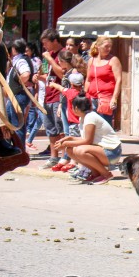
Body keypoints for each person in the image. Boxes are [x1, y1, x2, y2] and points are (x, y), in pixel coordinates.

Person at [55, 95, 122, 185]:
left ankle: (106, 174)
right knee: (70, 150)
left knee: (80, 150)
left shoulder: (90, 117)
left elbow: (87, 141)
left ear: (76, 108)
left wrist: (67, 143)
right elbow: (86, 139)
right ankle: (96, 173)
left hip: (112, 152)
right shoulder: (83, 118)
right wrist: (69, 139)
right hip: (102, 150)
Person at [38, 29, 66, 169]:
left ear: (55, 41)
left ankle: (65, 157)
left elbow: (62, 74)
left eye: (46, 43)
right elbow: (45, 74)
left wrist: (50, 59)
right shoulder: (47, 56)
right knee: (51, 129)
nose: (44, 47)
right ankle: (53, 157)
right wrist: (38, 76)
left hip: (58, 96)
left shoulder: (63, 53)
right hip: (47, 96)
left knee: (60, 128)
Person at [48, 72, 85, 174]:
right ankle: (76, 163)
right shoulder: (84, 94)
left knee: (73, 145)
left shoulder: (71, 93)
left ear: (71, 84)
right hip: (82, 123)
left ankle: (74, 163)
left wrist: (52, 84)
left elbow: (61, 88)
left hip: (73, 124)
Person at [85, 36, 122, 125]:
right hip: (92, 98)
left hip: (105, 99)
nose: (108, 49)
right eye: (106, 46)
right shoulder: (91, 60)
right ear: (98, 46)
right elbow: (88, 80)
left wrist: (114, 98)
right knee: (92, 127)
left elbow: (119, 80)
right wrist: (85, 95)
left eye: (110, 46)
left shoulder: (113, 60)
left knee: (104, 126)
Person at [6, 39, 33, 143]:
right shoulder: (18, 60)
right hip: (15, 96)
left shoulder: (21, 60)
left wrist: (18, 83)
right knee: (9, 122)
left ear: (14, 49)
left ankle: (20, 150)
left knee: (17, 125)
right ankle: (12, 148)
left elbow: (26, 74)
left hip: (19, 95)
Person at [24, 42, 44, 151]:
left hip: (41, 91)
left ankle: (29, 140)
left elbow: (37, 80)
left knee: (40, 118)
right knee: (41, 117)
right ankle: (28, 140)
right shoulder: (23, 60)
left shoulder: (37, 61)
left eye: (27, 50)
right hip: (36, 92)